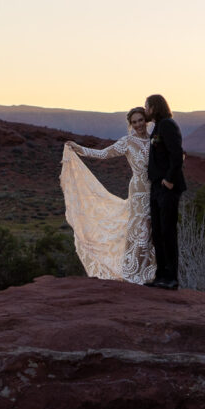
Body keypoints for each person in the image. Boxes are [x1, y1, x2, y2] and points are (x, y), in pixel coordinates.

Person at [61, 108, 156, 284]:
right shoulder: (127, 142)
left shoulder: (154, 140)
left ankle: (149, 273)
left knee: (152, 229)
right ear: (130, 124)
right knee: (140, 229)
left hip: (156, 190)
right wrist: (79, 149)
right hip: (138, 191)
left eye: (140, 120)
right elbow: (104, 153)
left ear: (146, 120)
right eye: (134, 122)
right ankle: (133, 273)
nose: (138, 125)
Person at [143, 93, 186, 289]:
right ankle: (160, 275)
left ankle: (171, 278)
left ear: (154, 107)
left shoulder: (168, 125)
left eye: (147, 106)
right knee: (158, 232)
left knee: (168, 232)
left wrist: (169, 180)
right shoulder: (158, 127)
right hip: (156, 187)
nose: (145, 110)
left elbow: (177, 154)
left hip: (167, 188)